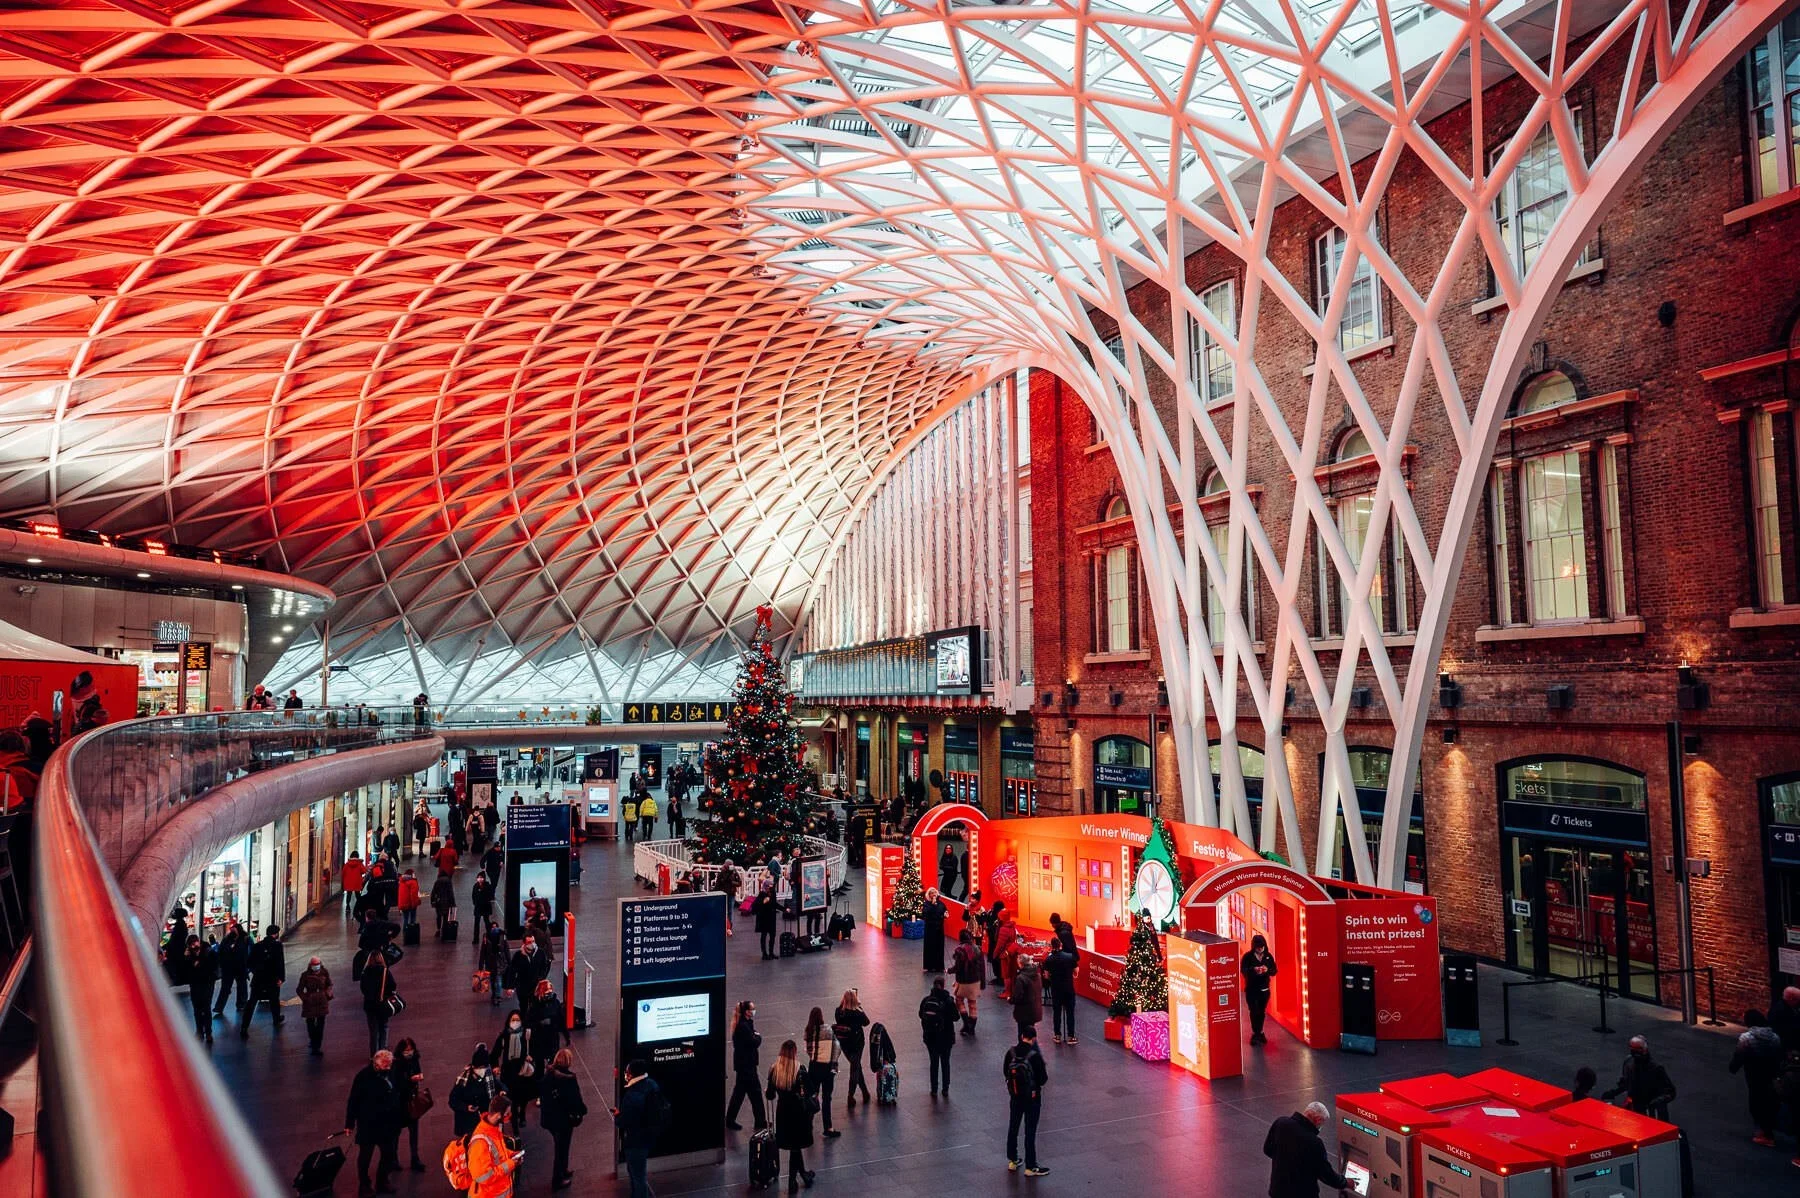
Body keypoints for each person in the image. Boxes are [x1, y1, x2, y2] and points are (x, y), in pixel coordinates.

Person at [344, 1049, 405, 1196]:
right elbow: (353, 1100)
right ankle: (364, 1185)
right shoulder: (363, 1077)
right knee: (365, 1157)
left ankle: (382, 1181)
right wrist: (349, 1123)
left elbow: (398, 1088)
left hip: (388, 1124)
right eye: (385, 1065)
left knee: (388, 1154)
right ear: (376, 1064)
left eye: (390, 1064)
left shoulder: (391, 1071)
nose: (389, 1067)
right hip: (369, 1124)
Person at [1263, 1102, 1349, 1198]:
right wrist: (1344, 1182)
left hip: (1278, 1190)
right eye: (1322, 1122)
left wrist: (1284, 1159)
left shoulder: (1281, 1123)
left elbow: (1267, 1149)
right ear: (1318, 1120)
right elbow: (1326, 1174)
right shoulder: (1314, 1142)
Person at [766, 1040, 816, 1194]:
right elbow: (810, 1091)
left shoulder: (775, 1069)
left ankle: (804, 1175)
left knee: (794, 1147)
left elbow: (770, 1095)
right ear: (794, 1052)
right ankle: (792, 1181)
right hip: (798, 1113)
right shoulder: (799, 1070)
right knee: (796, 1147)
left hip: (783, 1113)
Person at [1730, 1009, 1784, 1146]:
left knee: (1755, 1100)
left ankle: (1764, 1134)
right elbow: (1778, 1056)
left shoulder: (1746, 1038)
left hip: (1753, 1073)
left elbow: (1739, 1056)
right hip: (1770, 1073)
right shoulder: (1774, 1037)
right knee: (1769, 1101)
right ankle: (1768, 1130)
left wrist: (1733, 1068)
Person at [1002, 1025, 1050, 1177]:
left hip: (1015, 1097)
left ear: (1021, 1036)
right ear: (1034, 1038)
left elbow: (1005, 1071)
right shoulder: (1034, 1055)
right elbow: (1043, 1079)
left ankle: (1013, 1159)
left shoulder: (1011, 1053)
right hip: (1032, 1098)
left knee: (1013, 1127)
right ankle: (1031, 1166)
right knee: (1030, 1131)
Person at [540, 1046, 586, 1190]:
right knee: (561, 1149)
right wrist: (583, 1110)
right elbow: (575, 1100)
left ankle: (563, 1171)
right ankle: (557, 1180)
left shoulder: (548, 1075)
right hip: (563, 1120)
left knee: (561, 1146)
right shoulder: (569, 1079)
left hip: (549, 1118)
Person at [1601, 1034, 1676, 1120]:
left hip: (1653, 1113)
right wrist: (1613, 1092)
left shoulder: (1656, 1068)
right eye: (1634, 1050)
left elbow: (1670, 1092)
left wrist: (1657, 1102)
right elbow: (1626, 1082)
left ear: (1645, 1050)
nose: (1637, 1054)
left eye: (1639, 1050)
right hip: (1635, 1108)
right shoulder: (1629, 1063)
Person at [467, 1094, 524, 1198]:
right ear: (498, 1115)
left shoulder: (494, 1129)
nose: (509, 1115)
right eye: (507, 1113)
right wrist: (511, 1164)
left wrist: (511, 1155)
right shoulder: (480, 1143)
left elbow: (497, 1154)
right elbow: (482, 1176)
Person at [726, 999, 769, 1130]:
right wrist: (758, 1036)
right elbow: (755, 1041)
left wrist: (755, 1035)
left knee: (740, 1093)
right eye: (752, 1009)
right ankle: (760, 1121)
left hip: (743, 1065)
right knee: (754, 1093)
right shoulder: (743, 1027)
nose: (754, 1011)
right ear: (746, 1012)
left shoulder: (744, 1023)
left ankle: (731, 1119)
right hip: (747, 1066)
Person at [492, 1008, 536, 1134]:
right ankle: (516, 1127)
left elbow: (534, 1049)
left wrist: (530, 1056)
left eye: (517, 1020)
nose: (515, 1022)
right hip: (509, 1073)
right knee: (512, 1100)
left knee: (523, 1098)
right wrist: (495, 1065)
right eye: (513, 1020)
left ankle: (522, 1113)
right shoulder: (504, 1036)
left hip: (522, 1072)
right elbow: (495, 1054)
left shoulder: (526, 1035)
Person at [803, 1007, 843, 1139]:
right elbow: (837, 1046)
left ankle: (807, 1125)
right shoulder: (828, 1029)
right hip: (827, 1068)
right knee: (827, 1098)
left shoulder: (808, 1031)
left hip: (814, 1067)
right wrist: (833, 1061)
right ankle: (828, 1127)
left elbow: (809, 1050)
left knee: (812, 1095)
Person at [243, 924, 287, 1038]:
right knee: (274, 1000)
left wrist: (256, 971)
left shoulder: (258, 946)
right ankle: (276, 1018)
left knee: (252, 1002)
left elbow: (249, 962)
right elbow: (280, 963)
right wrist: (281, 978)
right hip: (272, 979)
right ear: (275, 934)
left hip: (258, 979)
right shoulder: (277, 946)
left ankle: (244, 1026)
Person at [918, 974, 958, 1097]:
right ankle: (945, 1088)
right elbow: (956, 1017)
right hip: (946, 1037)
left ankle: (934, 1088)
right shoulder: (948, 1000)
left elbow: (921, 1014)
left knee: (933, 1063)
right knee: (945, 1063)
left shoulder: (926, 1000)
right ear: (943, 985)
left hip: (931, 1037)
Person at [393, 1037, 428, 1173]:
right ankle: (394, 1159)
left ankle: (415, 1158)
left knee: (414, 1132)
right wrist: (410, 1079)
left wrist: (418, 1077)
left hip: (412, 1101)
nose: (409, 1052)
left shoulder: (415, 1059)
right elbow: (397, 1082)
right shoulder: (396, 1064)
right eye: (406, 1050)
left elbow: (418, 1071)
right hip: (401, 1102)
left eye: (411, 1049)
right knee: (396, 1133)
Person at [451, 1045, 500, 1138]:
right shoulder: (463, 1081)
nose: (483, 1070)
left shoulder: (489, 1076)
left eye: (485, 1067)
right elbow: (453, 1101)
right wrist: (466, 1107)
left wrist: (502, 1091)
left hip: (485, 1120)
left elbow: (498, 1085)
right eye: (481, 1067)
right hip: (468, 1122)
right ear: (474, 1067)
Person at [834, 989, 872, 1108]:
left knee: (856, 1066)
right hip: (857, 1044)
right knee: (855, 1069)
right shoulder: (857, 1013)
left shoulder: (839, 1011)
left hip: (844, 1043)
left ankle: (865, 1092)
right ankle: (850, 1096)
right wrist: (859, 1007)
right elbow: (866, 1022)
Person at [360, 944, 399, 1054]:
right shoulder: (385, 971)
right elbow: (392, 985)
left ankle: (374, 1054)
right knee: (384, 1027)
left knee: (373, 1031)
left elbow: (363, 989)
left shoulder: (365, 972)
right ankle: (383, 1051)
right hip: (383, 1004)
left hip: (370, 1006)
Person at [1241, 934, 1278, 1047]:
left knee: (1261, 1011)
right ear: (1254, 947)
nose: (1260, 949)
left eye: (1262, 947)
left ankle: (1260, 1032)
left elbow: (1274, 971)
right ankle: (1256, 1033)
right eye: (1258, 947)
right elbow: (1243, 970)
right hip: (1252, 989)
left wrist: (1266, 970)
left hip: (1264, 989)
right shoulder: (1247, 956)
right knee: (1253, 1011)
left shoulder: (1268, 956)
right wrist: (1254, 970)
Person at [527, 978, 569, 1071]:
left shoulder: (556, 1003)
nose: (549, 992)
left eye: (550, 989)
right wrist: (540, 1023)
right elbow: (529, 1022)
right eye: (547, 990)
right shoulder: (535, 1005)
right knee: (539, 1064)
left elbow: (561, 1020)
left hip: (552, 1037)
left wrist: (566, 1035)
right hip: (539, 1039)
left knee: (553, 1062)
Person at [1044, 933, 1078, 1044]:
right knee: (1070, 1012)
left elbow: (1046, 975)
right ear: (1060, 945)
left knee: (1057, 1012)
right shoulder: (1069, 957)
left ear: (1051, 946)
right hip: (1068, 989)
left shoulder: (1049, 959)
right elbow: (1076, 971)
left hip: (1056, 989)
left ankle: (1057, 1035)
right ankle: (1071, 1036)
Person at [296, 955, 334, 1055]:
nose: (316, 966)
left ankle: (317, 1046)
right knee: (311, 1024)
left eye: (317, 964)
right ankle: (313, 1042)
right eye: (314, 964)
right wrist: (306, 999)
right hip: (310, 1002)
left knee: (320, 1025)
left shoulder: (324, 972)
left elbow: (329, 984)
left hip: (322, 1001)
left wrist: (327, 994)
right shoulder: (305, 975)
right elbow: (299, 989)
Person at [214, 918, 251, 1017]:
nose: (232, 930)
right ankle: (220, 1007)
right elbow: (221, 952)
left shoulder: (245, 938)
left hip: (238, 967)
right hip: (231, 967)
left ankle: (240, 1004)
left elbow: (250, 952)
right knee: (228, 987)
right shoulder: (229, 939)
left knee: (238, 986)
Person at [952, 928, 985, 1037]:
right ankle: (972, 1028)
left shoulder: (959, 950)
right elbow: (982, 968)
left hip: (963, 981)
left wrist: (949, 970)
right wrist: (982, 983)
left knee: (959, 1001)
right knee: (972, 1004)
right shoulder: (978, 950)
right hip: (975, 980)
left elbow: (957, 967)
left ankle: (966, 1024)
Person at [185, 934, 218, 1043]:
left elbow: (212, 967)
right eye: (192, 945)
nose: (194, 947)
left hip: (206, 983)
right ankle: (200, 1030)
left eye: (195, 944)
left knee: (206, 1007)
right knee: (197, 1009)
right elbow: (186, 970)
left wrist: (198, 965)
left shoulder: (208, 952)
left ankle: (207, 1032)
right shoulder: (189, 955)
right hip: (196, 984)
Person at [1010, 957, 1044, 1039]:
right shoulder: (1037, 975)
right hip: (1035, 1009)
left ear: (1020, 964)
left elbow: (1017, 996)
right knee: (1030, 1034)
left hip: (1023, 1012)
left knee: (1022, 1035)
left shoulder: (1021, 978)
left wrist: (1010, 1000)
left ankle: (1025, 1050)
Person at [921, 887, 947, 973]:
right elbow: (925, 914)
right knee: (930, 947)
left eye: (934, 893)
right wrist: (932, 905)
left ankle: (939, 966)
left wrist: (945, 914)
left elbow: (944, 911)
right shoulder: (926, 904)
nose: (933, 894)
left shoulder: (941, 904)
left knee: (939, 947)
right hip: (930, 929)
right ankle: (929, 966)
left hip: (939, 928)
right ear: (929, 895)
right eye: (931, 893)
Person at [754, 882, 780, 960]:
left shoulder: (773, 893)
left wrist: (784, 909)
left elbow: (775, 904)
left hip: (771, 917)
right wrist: (763, 902)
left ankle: (771, 952)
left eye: (772, 887)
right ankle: (764, 953)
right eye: (769, 887)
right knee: (764, 935)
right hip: (764, 918)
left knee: (773, 935)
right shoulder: (762, 894)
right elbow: (755, 906)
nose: (771, 889)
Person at [1771, 985, 1800, 1052]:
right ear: (1791, 999)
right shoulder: (1781, 1011)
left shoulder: (1788, 1006)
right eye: (1798, 1000)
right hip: (1786, 1045)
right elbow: (1788, 1031)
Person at [471, 870, 496, 943]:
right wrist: (475, 903)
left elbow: (491, 896)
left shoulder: (488, 886)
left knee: (487, 922)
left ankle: (489, 937)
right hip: (478, 907)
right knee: (476, 923)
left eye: (481, 877)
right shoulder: (475, 886)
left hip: (485, 907)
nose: (480, 879)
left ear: (484, 878)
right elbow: (473, 896)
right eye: (478, 877)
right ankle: (476, 939)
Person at [718, 858, 742, 935]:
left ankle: (729, 927)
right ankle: (723, 926)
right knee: (723, 911)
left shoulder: (734, 872)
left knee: (730, 911)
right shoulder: (722, 872)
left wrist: (732, 882)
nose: (731, 866)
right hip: (724, 893)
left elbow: (739, 882)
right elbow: (719, 882)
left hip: (731, 893)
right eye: (729, 865)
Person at [429, 870, 455, 936]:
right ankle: (444, 930)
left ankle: (438, 930)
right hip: (447, 901)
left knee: (439, 916)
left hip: (439, 902)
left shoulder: (437, 881)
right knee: (446, 917)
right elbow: (451, 893)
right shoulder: (449, 881)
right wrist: (453, 902)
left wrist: (432, 901)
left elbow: (433, 892)